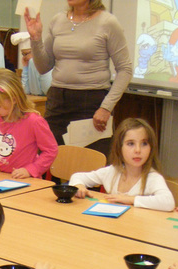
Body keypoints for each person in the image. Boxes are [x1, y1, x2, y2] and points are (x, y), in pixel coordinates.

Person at [24, 1, 132, 156]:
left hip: (91, 102)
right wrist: (35, 39)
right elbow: (43, 67)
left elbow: (125, 69)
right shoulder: (58, 20)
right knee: (48, 159)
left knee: (89, 162)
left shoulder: (108, 23)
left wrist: (106, 107)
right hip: (58, 101)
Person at [68, 117, 175, 211]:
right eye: (131, 144)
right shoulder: (112, 171)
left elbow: (168, 202)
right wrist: (79, 186)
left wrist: (131, 199)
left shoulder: (152, 178)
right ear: (119, 147)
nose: (138, 150)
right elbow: (77, 177)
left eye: (144, 143)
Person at [10, 31, 51, 96]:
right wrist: (25, 68)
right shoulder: (30, 64)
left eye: (26, 54)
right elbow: (25, 91)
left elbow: (45, 91)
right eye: (23, 54)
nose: (24, 57)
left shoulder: (42, 61)